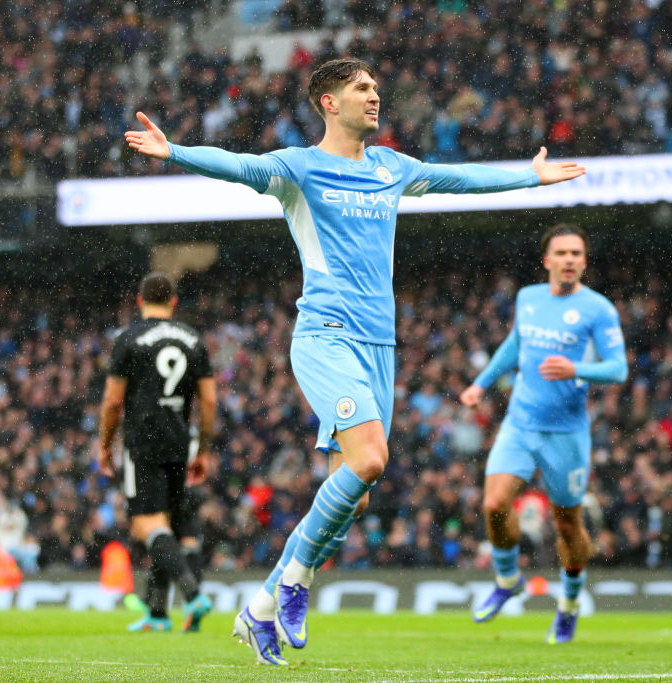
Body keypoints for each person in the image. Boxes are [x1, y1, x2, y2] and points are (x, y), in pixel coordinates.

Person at [125, 57, 585, 665]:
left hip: (379, 346)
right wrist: (175, 151)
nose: (374, 96)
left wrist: (529, 177)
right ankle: (295, 581)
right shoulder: (300, 167)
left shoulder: (391, 168)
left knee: (358, 494)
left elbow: (460, 178)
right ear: (329, 103)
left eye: (375, 88)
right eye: (361, 88)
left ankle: (259, 609)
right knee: (370, 459)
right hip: (326, 335)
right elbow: (239, 166)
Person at [460, 223, 628, 644]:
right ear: (547, 260)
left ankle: (568, 604)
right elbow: (515, 346)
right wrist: (481, 384)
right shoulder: (529, 298)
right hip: (520, 423)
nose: (569, 260)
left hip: (566, 433)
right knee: (494, 503)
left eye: (576, 253)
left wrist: (576, 369)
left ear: (584, 261)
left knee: (567, 524)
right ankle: (507, 578)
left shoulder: (598, 309)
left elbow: (618, 368)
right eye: (562, 253)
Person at [98, 272, 217, 632]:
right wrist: (203, 449)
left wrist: (104, 445)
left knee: (146, 524)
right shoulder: (193, 340)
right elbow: (209, 400)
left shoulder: (129, 338)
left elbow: (113, 401)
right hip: (180, 441)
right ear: (174, 302)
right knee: (167, 524)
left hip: (143, 442)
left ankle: (192, 594)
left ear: (140, 300)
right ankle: (158, 612)